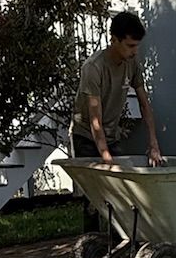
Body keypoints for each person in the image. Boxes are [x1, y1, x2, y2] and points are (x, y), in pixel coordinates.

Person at [70, 10, 165, 166]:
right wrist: (107, 160)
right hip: (86, 138)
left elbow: (144, 105)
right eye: (130, 46)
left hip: (111, 136)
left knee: (120, 184)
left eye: (137, 46)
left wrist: (153, 144)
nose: (135, 51)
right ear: (114, 40)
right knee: (98, 186)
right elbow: (96, 121)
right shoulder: (93, 68)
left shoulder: (132, 63)